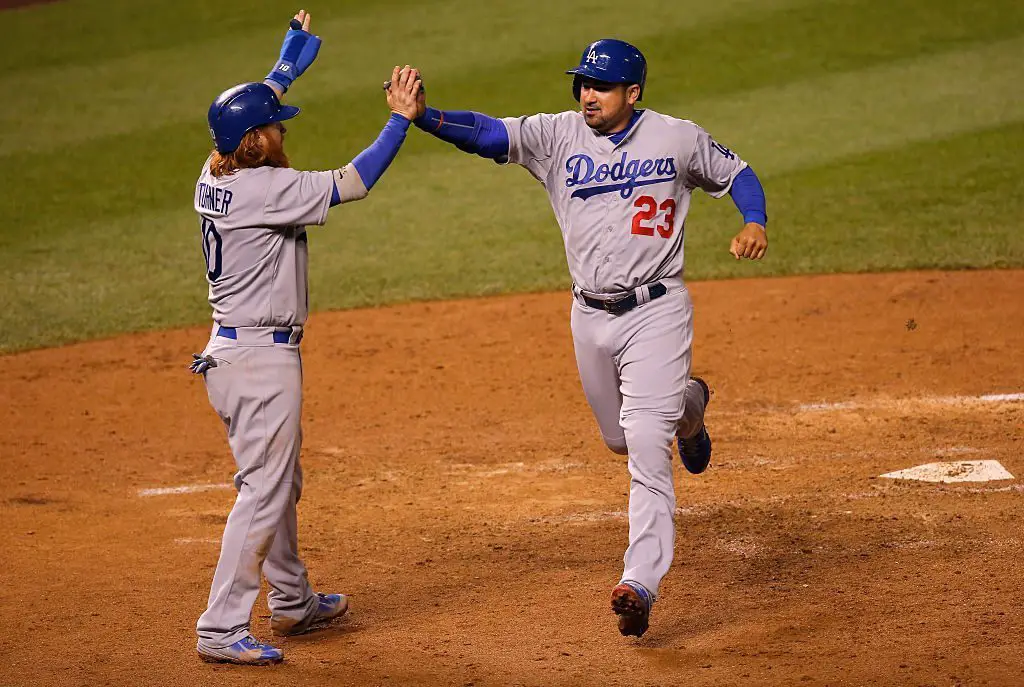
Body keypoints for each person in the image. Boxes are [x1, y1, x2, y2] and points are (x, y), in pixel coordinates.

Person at [408, 39, 767, 637]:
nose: (587, 95)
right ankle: (692, 408)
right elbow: (488, 133)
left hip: (658, 310)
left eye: (600, 85)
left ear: (634, 93)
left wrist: (753, 220)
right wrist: (426, 117)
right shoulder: (558, 136)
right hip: (589, 316)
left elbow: (738, 174)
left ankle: (640, 582)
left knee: (646, 443)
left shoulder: (677, 138)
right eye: (582, 83)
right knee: (620, 438)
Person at [190, 9, 425, 664]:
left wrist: (284, 67)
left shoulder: (216, 173)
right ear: (257, 144)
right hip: (259, 360)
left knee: (276, 481)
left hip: (233, 353)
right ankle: (219, 627)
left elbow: (239, 119)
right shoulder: (270, 188)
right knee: (265, 487)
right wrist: (399, 118)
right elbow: (356, 180)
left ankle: (291, 599)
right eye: (272, 125)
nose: (279, 130)